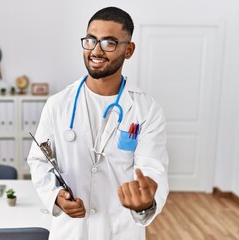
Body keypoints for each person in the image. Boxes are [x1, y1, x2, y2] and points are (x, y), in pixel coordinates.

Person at [27, 6, 169, 240]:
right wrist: (55, 196)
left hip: (121, 230)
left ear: (129, 50)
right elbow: (38, 160)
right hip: (71, 230)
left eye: (109, 43)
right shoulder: (58, 104)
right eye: (91, 40)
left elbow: (153, 169)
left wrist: (145, 203)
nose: (96, 50)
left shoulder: (146, 109)